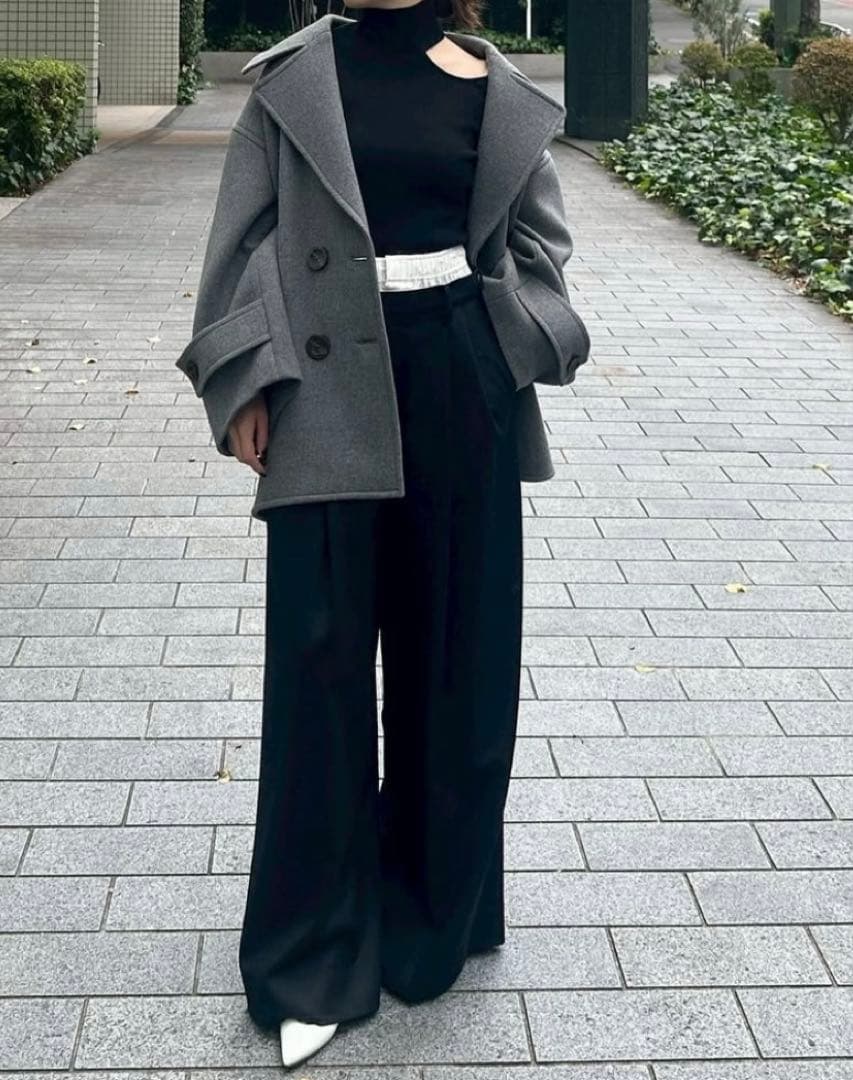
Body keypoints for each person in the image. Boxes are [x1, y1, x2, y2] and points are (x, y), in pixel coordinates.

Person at [176, 0, 590, 1069]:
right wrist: (247, 378)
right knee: (317, 664)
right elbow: (240, 242)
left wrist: (510, 343)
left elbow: (539, 244)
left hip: (459, 383)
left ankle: (432, 913)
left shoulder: (493, 88)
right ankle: (309, 953)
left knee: (456, 659)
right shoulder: (293, 81)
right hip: (323, 393)